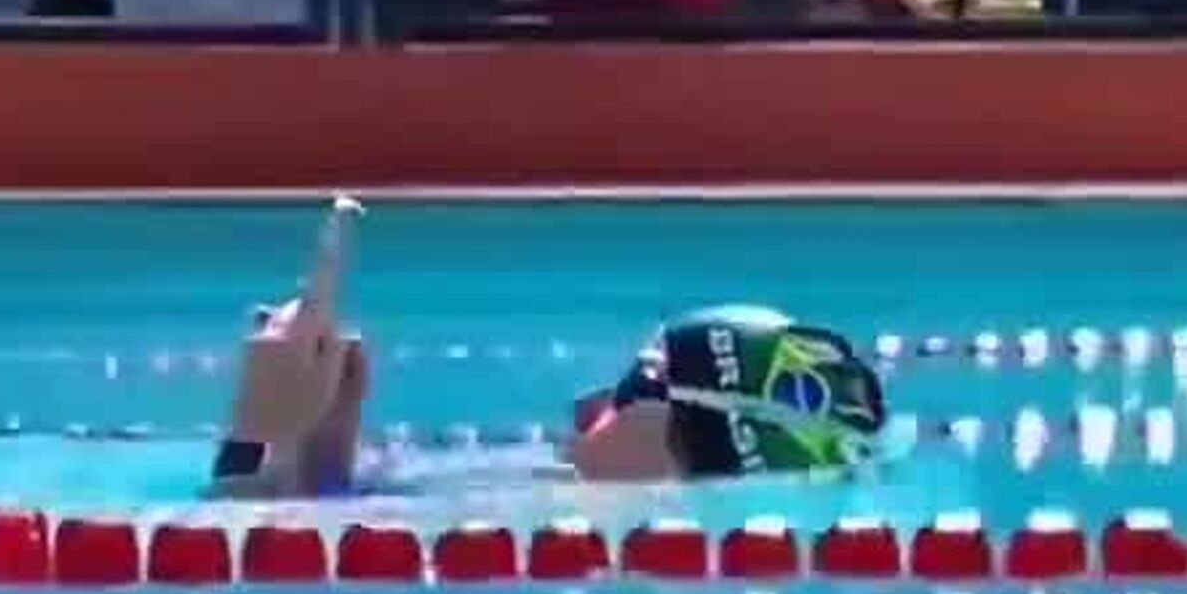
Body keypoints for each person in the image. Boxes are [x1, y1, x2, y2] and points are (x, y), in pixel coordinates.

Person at [209, 196, 888, 499]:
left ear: (675, 425)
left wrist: (258, 430)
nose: (589, 402)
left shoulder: (571, 523)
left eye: (630, 388)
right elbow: (328, 521)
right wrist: (326, 432)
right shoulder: (550, 494)